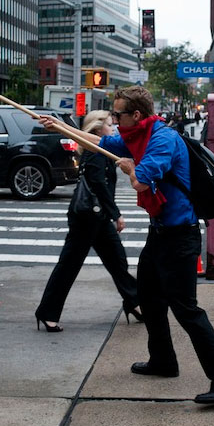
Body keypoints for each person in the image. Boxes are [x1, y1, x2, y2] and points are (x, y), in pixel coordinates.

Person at [40, 86, 214, 405]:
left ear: (135, 115)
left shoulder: (161, 140)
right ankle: (163, 361)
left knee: (186, 310)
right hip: (161, 232)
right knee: (149, 297)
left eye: (118, 114)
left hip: (180, 236)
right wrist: (60, 127)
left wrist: (129, 167)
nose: (115, 120)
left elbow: (141, 182)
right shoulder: (140, 133)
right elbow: (100, 143)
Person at [34, 110, 141, 332]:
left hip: (97, 216)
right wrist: (116, 214)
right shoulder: (96, 153)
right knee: (69, 265)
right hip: (86, 217)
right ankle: (47, 312)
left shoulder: (101, 151)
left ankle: (134, 302)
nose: (113, 129)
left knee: (117, 261)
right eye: (110, 126)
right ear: (97, 130)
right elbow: (98, 184)